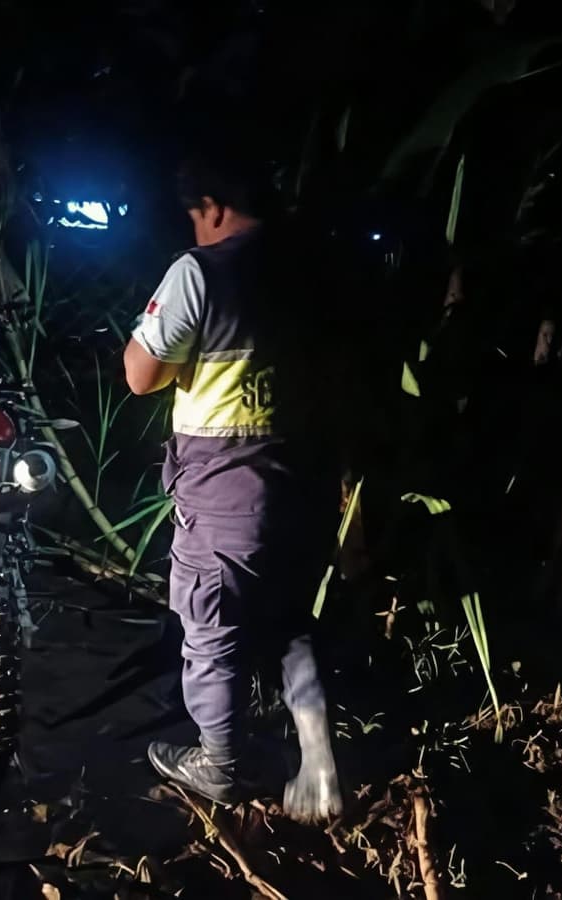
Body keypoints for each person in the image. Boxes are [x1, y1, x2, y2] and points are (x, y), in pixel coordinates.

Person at [123, 151, 343, 822]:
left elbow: (141, 374)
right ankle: (319, 757)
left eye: (195, 219)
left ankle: (218, 763)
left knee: (211, 629)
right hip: (306, 485)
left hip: (226, 492)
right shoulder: (315, 271)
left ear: (211, 207)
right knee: (288, 621)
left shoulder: (201, 273)